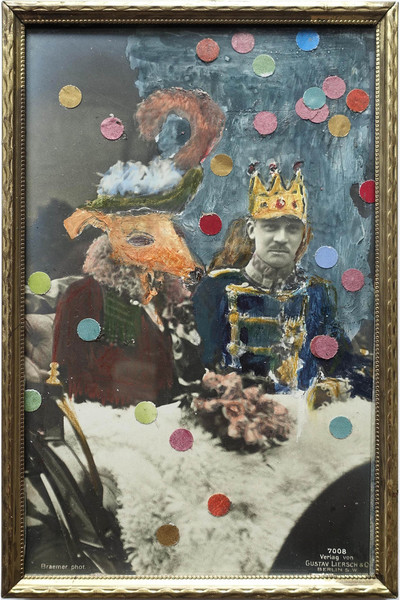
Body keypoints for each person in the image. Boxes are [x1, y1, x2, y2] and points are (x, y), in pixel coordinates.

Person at [193, 162, 371, 400]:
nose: (281, 238)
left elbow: (341, 365)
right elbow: (198, 367)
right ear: (251, 229)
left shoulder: (317, 293)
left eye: (292, 229)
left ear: (303, 234)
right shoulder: (216, 289)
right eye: (270, 227)